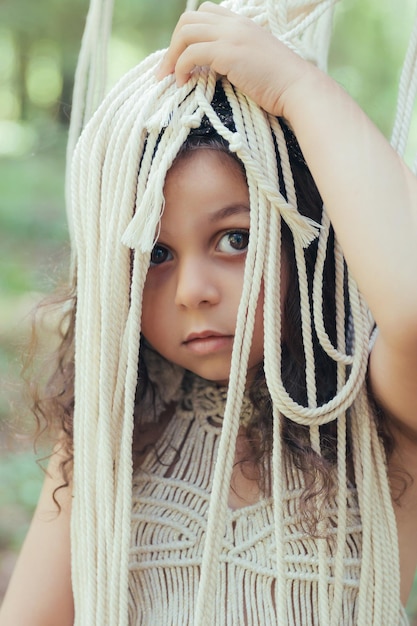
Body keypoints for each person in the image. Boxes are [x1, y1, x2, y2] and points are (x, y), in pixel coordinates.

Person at [1, 1, 417, 625]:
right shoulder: (113, 428)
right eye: (156, 253)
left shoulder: (377, 412)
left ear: (305, 238)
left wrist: (301, 90)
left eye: (235, 239)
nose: (191, 290)